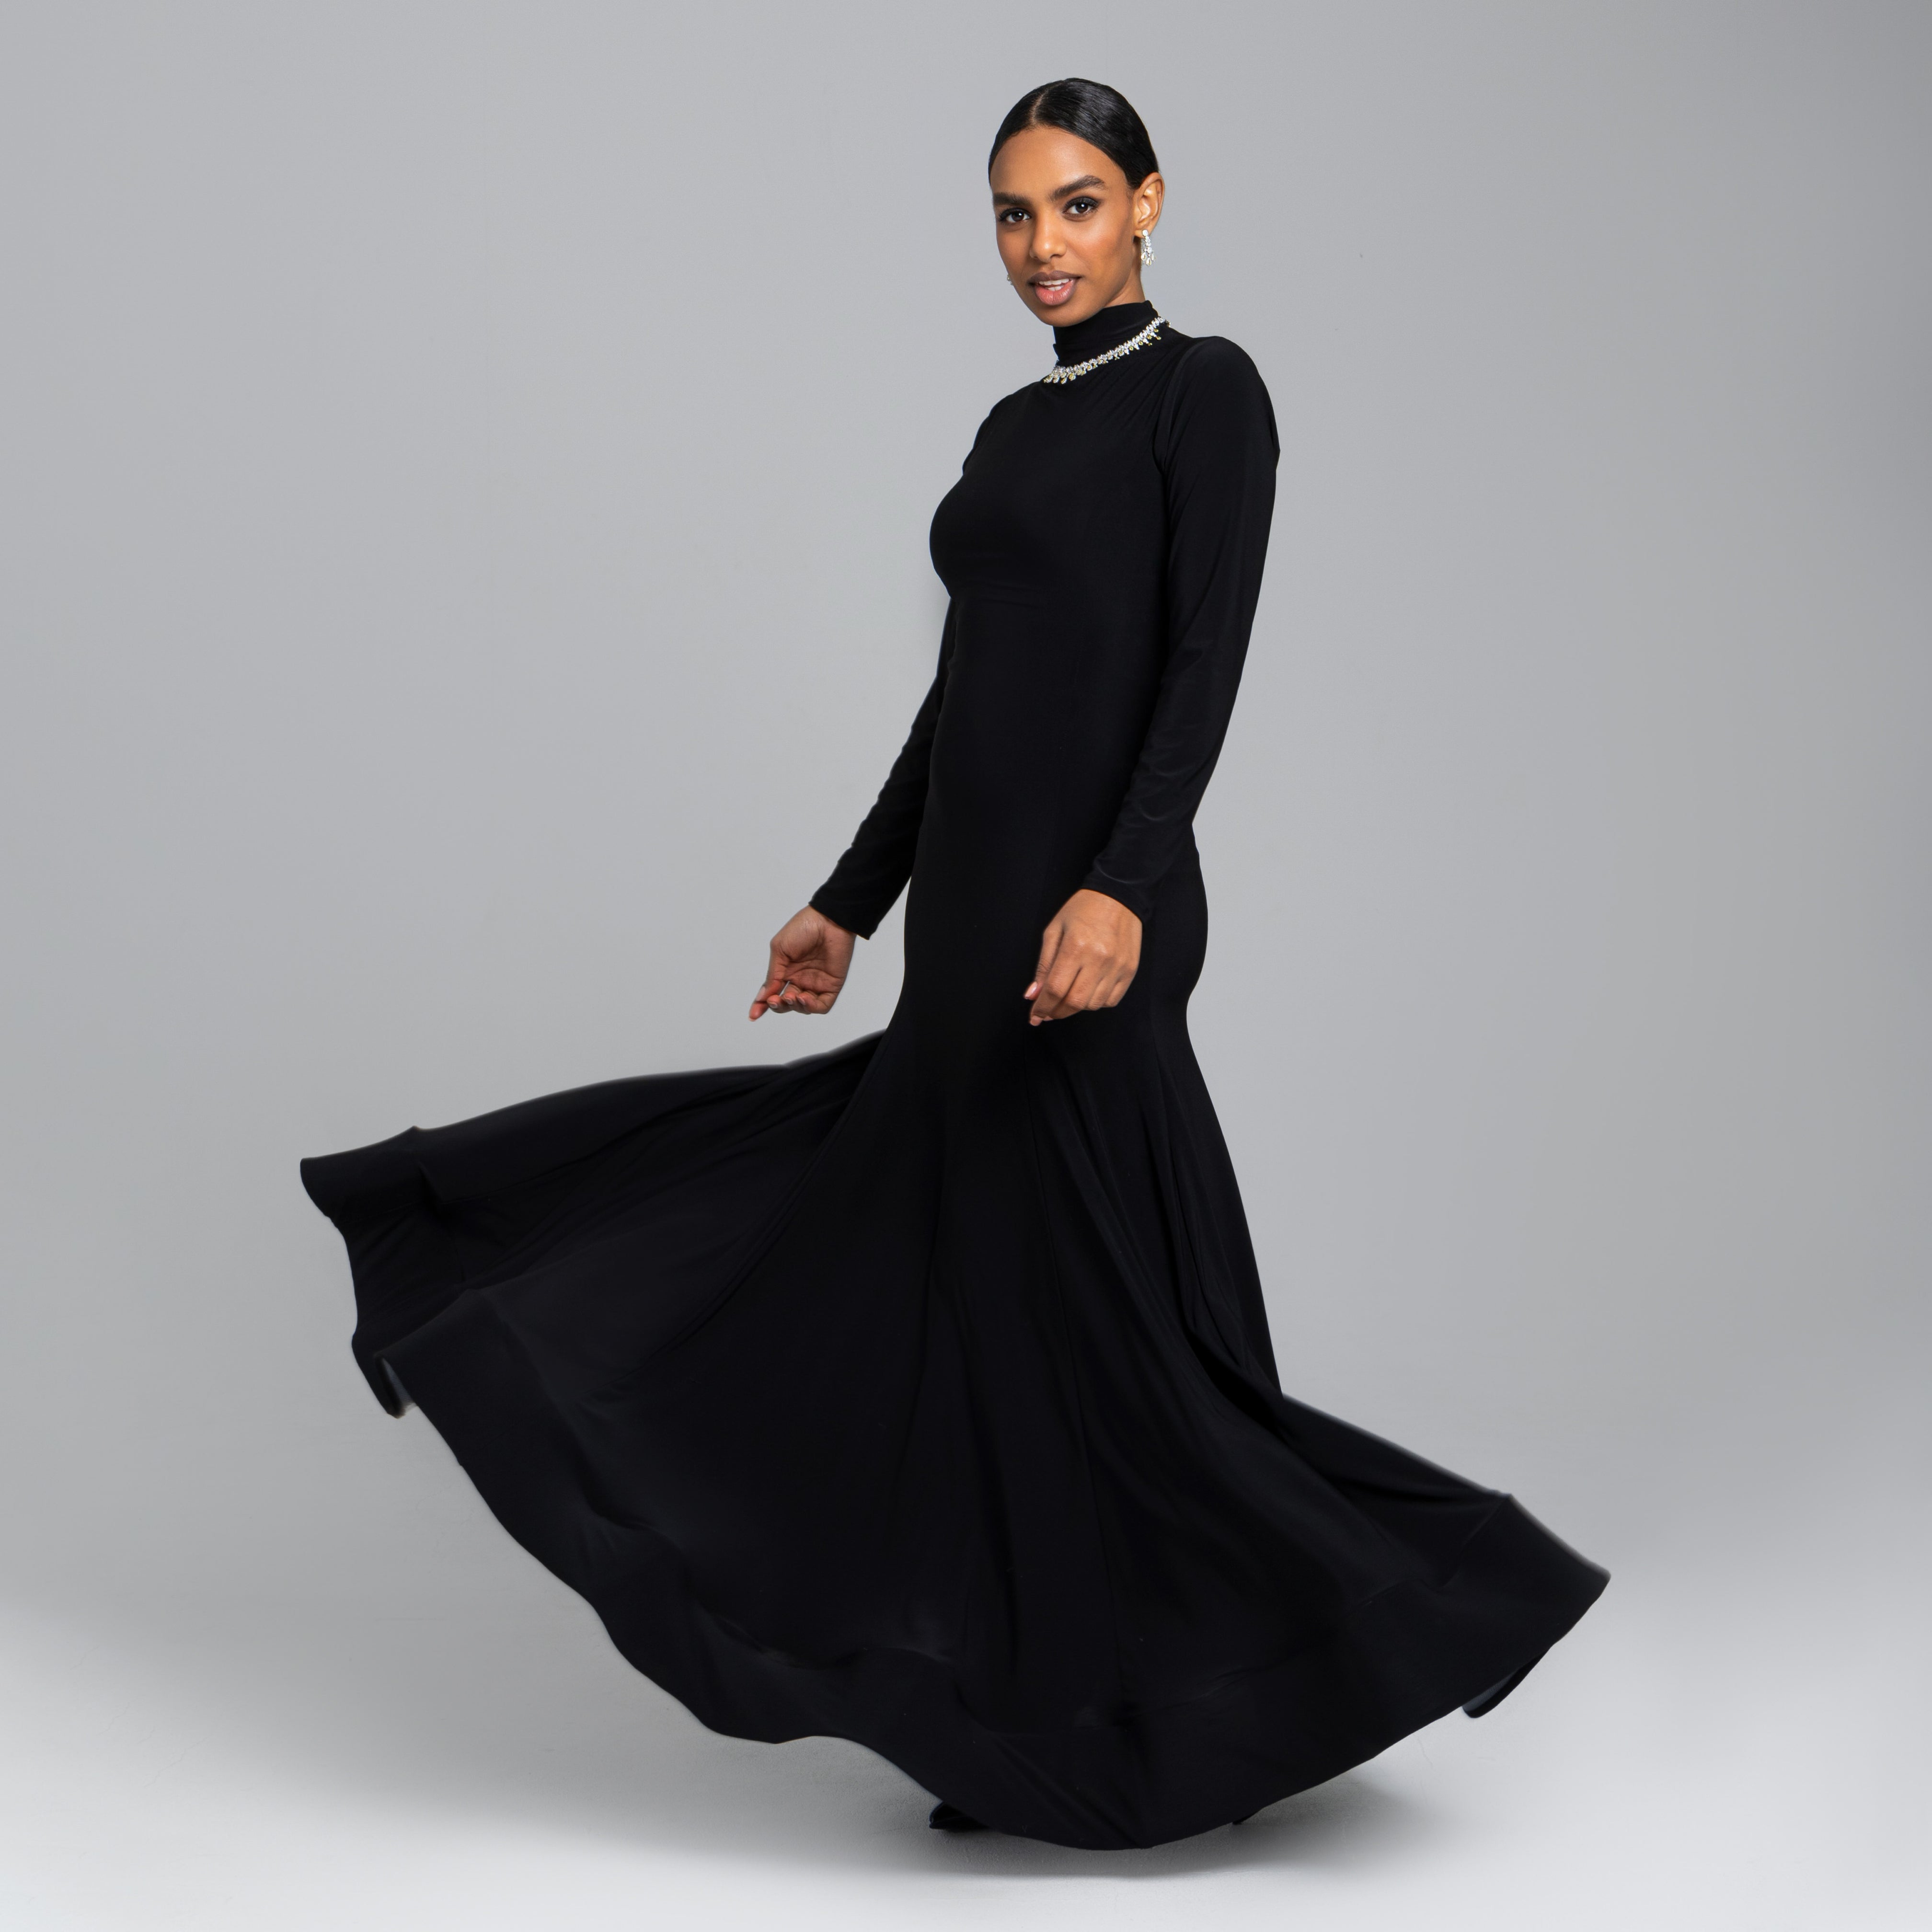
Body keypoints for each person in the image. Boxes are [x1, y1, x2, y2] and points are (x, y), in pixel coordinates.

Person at [301, 78, 1606, 1851]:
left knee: (1124, 1328)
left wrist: (1121, 887)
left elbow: (1203, 662)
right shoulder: (1008, 426)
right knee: (996, 1307)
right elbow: (964, 696)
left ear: (1149, 203)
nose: (1041, 244)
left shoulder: (1205, 393)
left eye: (1077, 204)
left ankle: (1346, 1635)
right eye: (1011, 213)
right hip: (976, 911)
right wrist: (850, 899)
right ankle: (1039, 1714)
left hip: (1096, 909)